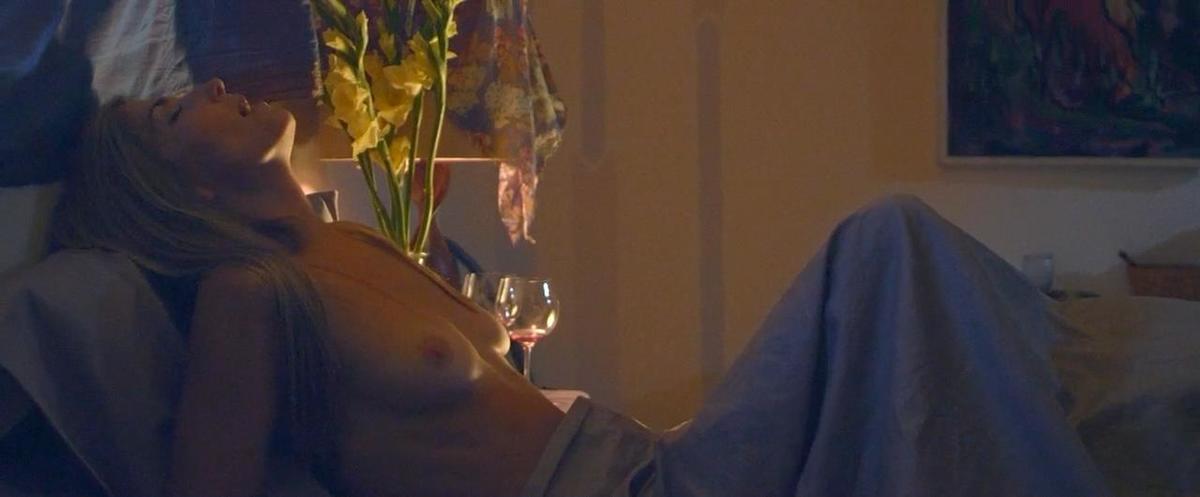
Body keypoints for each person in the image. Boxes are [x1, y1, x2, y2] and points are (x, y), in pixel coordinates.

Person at [52, 78, 1124, 497]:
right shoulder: (250, 298)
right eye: (171, 111)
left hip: (644, 458)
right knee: (886, 244)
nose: (209, 86)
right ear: (175, 184)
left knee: (908, 273)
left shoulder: (356, 237)